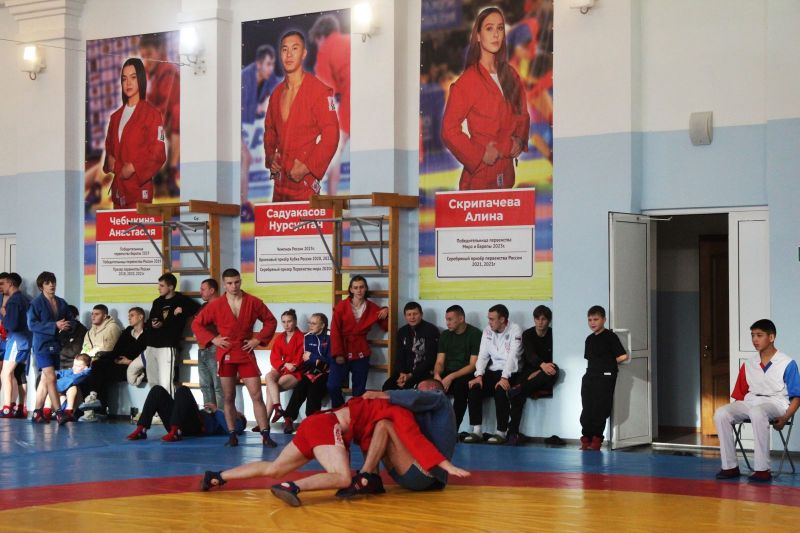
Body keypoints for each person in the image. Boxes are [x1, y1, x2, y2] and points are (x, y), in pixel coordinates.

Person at [200, 389, 469, 507]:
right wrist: (444, 464)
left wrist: (370, 476)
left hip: (315, 421)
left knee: (275, 467)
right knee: (342, 477)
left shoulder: (371, 405)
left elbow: (371, 446)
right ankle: (292, 487)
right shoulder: (395, 411)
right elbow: (413, 438)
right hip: (327, 426)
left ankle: (218, 476)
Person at [441, 6, 529, 191]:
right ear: (478, 36)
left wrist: (519, 140)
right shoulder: (468, 81)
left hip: (506, 174)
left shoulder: (511, 75)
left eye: (500, 28)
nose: (496, 34)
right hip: (480, 177)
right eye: (489, 28)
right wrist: (479, 154)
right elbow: (449, 130)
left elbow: (522, 114)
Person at [192, 268, 277, 447]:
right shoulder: (216, 305)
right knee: (228, 396)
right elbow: (197, 324)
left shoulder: (253, 301)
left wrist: (257, 339)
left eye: (237, 282)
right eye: (230, 283)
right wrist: (213, 339)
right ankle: (231, 434)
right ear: (224, 284)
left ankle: (265, 434)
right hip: (226, 352)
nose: (234, 286)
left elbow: (271, 321)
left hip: (245, 351)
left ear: (241, 281)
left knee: (256, 395)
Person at [338, 380, 463, 496]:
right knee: (376, 419)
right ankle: (373, 478)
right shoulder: (423, 410)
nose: (415, 390)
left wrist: (383, 394)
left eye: (418, 388)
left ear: (432, 387)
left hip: (427, 475)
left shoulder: (440, 398)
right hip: (413, 475)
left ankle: (365, 474)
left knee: (384, 424)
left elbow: (417, 397)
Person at [713, 319, 800, 483]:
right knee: (721, 413)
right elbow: (740, 396)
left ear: (771, 337)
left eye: (759, 335)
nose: (755, 339)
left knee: (757, 412)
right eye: (753, 335)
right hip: (752, 401)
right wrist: (735, 412)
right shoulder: (748, 364)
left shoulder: (787, 363)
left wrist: (786, 417)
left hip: (777, 404)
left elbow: (797, 396)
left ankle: (762, 470)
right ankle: (730, 467)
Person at [263, 30, 340, 202]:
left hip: (304, 184)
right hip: (280, 186)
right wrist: (271, 156)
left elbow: (332, 134)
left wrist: (307, 167)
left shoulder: (318, 91)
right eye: (284, 49)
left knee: (307, 221)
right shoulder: (276, 95)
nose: (289, 54)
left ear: (304, 53)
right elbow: (270, 131)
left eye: (295, 48)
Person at [103, 57, 167, 209]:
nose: (128, 83)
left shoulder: (152, 114)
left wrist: (133, 167)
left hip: (139, 193)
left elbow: (158, 154)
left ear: (141, 79)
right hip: (119, 194)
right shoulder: (115, 117)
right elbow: (110, 150)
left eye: (133, 77)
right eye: (124, 79)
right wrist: (109, 160)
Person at [463, 304, 523, 444]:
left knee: (501, 390)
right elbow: (483, 355)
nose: (489, 322)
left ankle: (501, 432)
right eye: (488, 318)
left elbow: (513, 357)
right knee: (474, 387)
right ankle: (477, 431)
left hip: (511, 371)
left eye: (492, 319)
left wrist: (504, 377)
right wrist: (479, 375)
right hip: (493, 370)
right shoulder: (487, 331)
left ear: (502, 319)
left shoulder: (515, 330)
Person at [329, 275, 388, 406]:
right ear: (351, 290)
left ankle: (355, 413)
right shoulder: (341, 306)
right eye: (355, 288)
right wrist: (338, 353)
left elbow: (386, 326)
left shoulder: (372, 308)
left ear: (366, 288)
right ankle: (339, 411)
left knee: (359, 390)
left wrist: (387, 311)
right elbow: (334, 331)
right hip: (342, 349)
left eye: (361, 287)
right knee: (333, 385)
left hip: (361, 350)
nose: (359, 290)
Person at [27, 271, 76, 423]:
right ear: (41, 286)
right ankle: (59, 412)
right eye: (47, 283)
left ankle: (37, 412)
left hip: (55, 344)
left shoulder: (61, 302)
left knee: (45, 379)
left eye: (53, 282)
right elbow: (31, 325)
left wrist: (68, 325)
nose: (51, 285)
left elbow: (71, 320)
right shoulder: (36, 303)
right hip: (42, 345)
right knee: (51, 377)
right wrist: (54, 325)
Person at [309, 14, 350, 194]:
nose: (318, 46)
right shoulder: (350, 40)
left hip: (350, 100)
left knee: (332, 151)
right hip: (370, 96)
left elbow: (327, 94)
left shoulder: (325, 49)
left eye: (317, 42)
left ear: (321, 36)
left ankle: (330, 200)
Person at [579, 305, 628, 451]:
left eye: (596, 319)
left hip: (605, 377)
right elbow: (590, 359)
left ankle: (596, 439)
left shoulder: (610, 337)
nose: (592, 322)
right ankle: (586, 438)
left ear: (604, 320)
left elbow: (623, 356)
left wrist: (607, 365)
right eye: (590, 320)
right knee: (587, 408)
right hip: (590, 376)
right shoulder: (589, 339)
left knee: (600, 408)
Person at [508, 304, 559, 445]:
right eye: (537, 319)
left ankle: (522, 388)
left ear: (549, 321)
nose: (540, 322)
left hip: (544, 372)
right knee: (517, 396)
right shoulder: (527, 334)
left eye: (543, 319)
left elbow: (554, 359)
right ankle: (512, 433)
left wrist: (541, 370)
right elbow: (530, 356)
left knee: (554, 369)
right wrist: (540, 366)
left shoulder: (553, 334)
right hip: (529, 371)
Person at [138, 33, 180, 198]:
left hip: (168, 128)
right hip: (154, 128)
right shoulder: (145, 75)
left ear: (160, 50)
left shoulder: (169, 72)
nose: (146, 60)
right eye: (143, 56)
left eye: (149, 54)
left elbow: (165, 112)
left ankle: (171, 172)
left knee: (178, 112)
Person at [127, 385, 246, 442]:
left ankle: (176, 431)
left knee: (183, 390)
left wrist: (216, 411)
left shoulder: (234, 422)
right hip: (179, 422)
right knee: (157, 390)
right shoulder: (221, 414)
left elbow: (236, 429)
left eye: (238, 413)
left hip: (194, 427)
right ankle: (142, 429)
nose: (233, 411)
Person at [144, 273, 199, 395]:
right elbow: (150, 320)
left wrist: (182, 311)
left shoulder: (181, 300)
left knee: (166, 382)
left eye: (162, 286)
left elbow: (197, 308)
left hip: (167, 345)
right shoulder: (157, 302)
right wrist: (154, 324)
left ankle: (169, 406)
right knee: (153, 381)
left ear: (171, 287)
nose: (159, 288)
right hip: (152, 344)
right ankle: (156, 405)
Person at [241, 44, 279, 218]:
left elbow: (279, 88)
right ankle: (242, 205)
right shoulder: (244, 79)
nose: (271, 68)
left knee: (245, 159)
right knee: (245, 158)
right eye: (268, 64)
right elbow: (240, 112)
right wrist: (259, 107)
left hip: (239, 124)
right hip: (228, 123)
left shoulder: (269, 77)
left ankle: (243, 203)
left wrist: (269, 100)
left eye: (273, 64)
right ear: (258, 64)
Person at [433, 304, 481, 430]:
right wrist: (437, 375)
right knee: (429, 387)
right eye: (446, 319)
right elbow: (439, 362)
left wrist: (451, 377)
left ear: (461, 319)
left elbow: (473, 366)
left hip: (465, 373)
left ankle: (453, 429)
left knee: (460, 388)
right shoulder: (445, 335)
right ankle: (432, 429)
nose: (447, 323)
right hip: (447, 372)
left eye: (450, 319)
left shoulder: (475, 334)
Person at [283, 312, 331, 433]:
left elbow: (329, 362)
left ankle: (312, 421)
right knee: (300, 387)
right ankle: (289, 419)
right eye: (309, 323)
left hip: (327, 373)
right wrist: (315, 362)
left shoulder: (330, 337)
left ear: (322, 325)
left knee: (314, 389)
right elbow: (306, 359)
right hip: (311, 371)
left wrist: (314, 358)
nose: (310, 326)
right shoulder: (307, 337)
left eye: (314, 323)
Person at [77, 304, 122, 421]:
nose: (93, 316)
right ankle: (87, 411)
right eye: (92, 314)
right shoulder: (89, 332)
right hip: (93, 362)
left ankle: (97, 406)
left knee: (97, 367)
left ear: (105, 316)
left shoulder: (113, 328)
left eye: (97, 314)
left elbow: (108, 349)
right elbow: (85, 349)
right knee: (82, 372)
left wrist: (92, 354)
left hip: (110, 363)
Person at [382, 302, 439, 391]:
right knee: (387, 387)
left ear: (421, 314)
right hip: (404, 372)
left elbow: (430, 359)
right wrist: (402, 374)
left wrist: (411, 375)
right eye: (409, 314)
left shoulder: (431, 330)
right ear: (405, 316)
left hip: (423, 372)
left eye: (415, 314)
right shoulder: (402, 332)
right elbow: (399, 357)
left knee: (408, 388)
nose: (412, 317)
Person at [264, 309, 304, 427]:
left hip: (296, 372)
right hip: (283, 368)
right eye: (284, 322)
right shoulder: (280, 337)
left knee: (271, 388)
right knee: (268, 376)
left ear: (295, 321)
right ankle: (278, 408)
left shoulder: (301, 337)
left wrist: (289, 365)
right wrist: (284, 364)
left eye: (289, 321)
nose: (286, 325)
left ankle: (265, 421)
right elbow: (274, 357)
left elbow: (299, 359)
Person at [0, 273, 31, 419]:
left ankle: (7, 408)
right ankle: (18, 406)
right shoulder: (25, 299)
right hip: (25, 340)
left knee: (5, 373)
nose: (1, 287)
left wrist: (4, 314)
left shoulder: (14, 301)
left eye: (2, 283)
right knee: (17, 374)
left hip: (16, 340)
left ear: (10, 283)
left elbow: (11, 325)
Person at [196, 278, 224, 409]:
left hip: (215, 349)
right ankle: (209, 416)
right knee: (205, 386)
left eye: (203, 289)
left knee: (219, 386)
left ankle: (222, 417)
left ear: (212, 290)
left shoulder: (222, 305)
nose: (200, 292)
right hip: (202, 349)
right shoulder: (203, 307)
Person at [46, 353, 92, 422]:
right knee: (53, 390)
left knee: (72, 387)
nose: (74, 368)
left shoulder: (86, 373)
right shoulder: (72, 371)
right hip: (63, 403)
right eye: (74, 365)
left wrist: (55, 385)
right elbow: (59, 373)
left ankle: (69, 412)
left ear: (86, 367)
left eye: (78, 366)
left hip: (78, 407)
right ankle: (47, 411)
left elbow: (73, 379)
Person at [59, 305, 87, 369]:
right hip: (59, 362)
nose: (62, 320)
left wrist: (57, 350)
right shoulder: (62, 328)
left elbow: (74, 352)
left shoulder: (82, 330)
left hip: (71, 364)